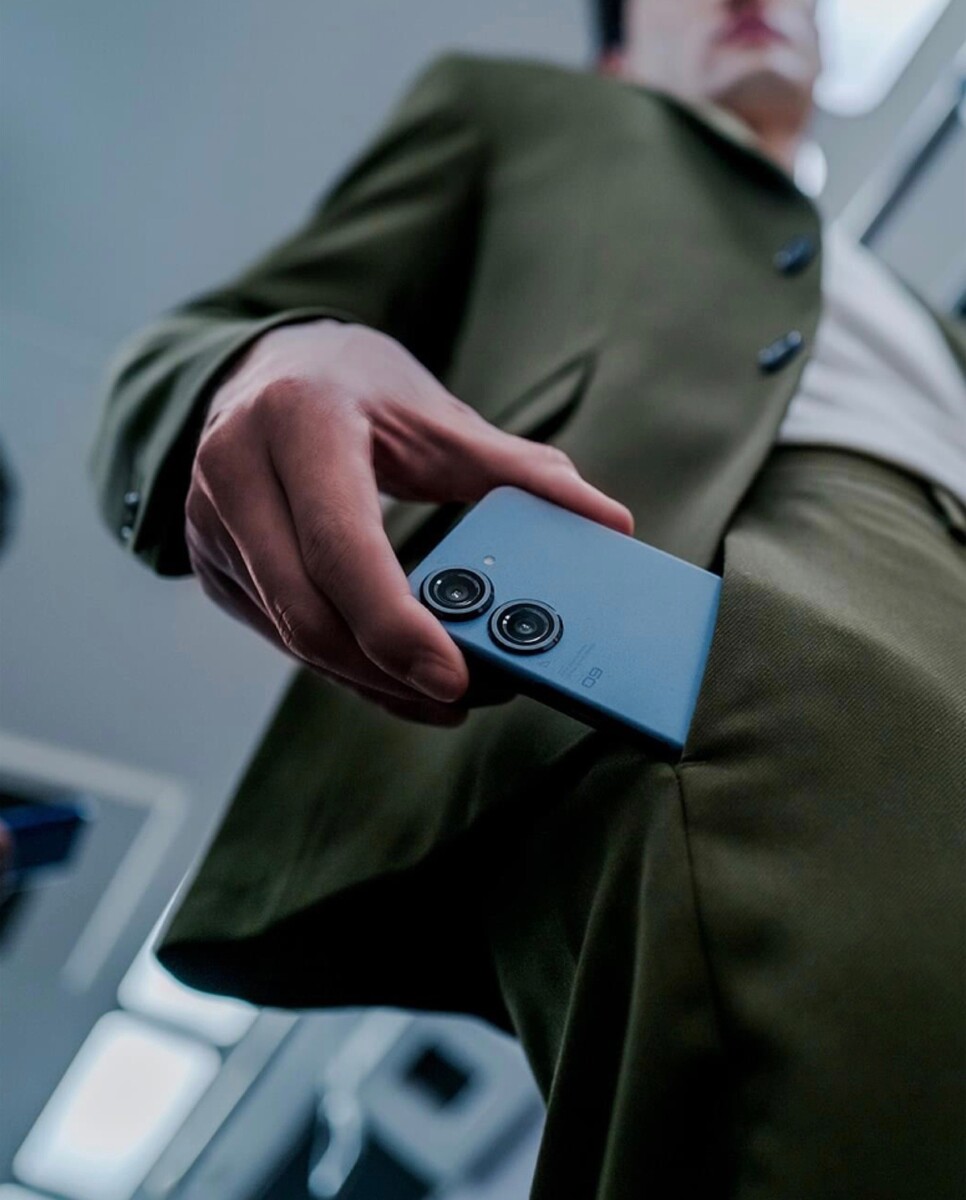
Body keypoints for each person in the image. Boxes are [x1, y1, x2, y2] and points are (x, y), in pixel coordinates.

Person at [89, 1, 965, 1195]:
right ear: (618, 54)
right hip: (715, 597)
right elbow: (193, 339)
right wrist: (260, 365)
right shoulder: (516, 109)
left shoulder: (900, 302)